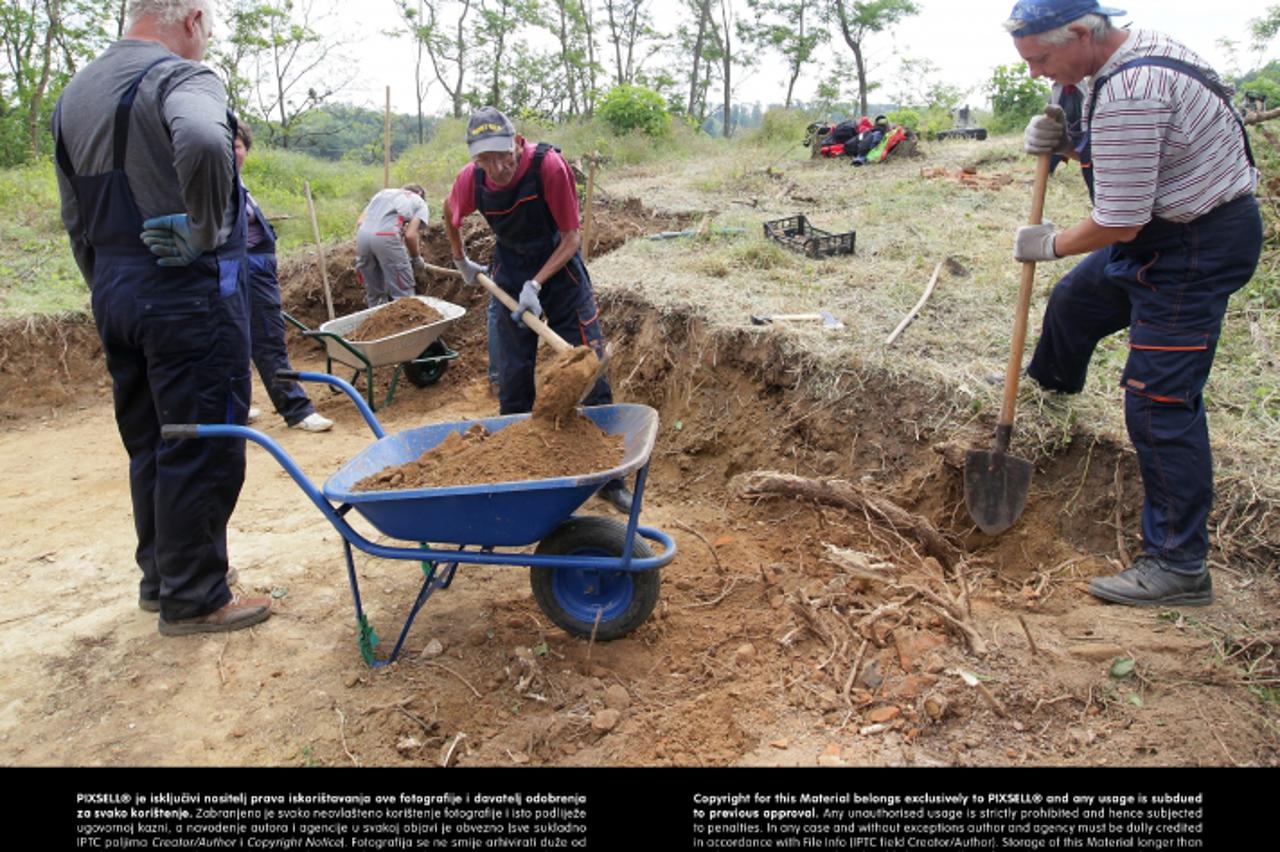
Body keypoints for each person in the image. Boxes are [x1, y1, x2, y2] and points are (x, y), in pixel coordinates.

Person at [1006, 0, 1261, 606]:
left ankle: (1179, 565)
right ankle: (1049, 394)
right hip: (1158, 228)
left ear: (1078, 32)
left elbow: (1118, 219)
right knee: (1076, 303)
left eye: (1042, 59)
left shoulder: (1135, 89)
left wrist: (1051, 243)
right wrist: (1067, 143)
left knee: (1158, 402)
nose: (1039, 73)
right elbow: (1127, 161)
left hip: (1194, 245)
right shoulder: (1110, 61)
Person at [53, 0, 271, 633]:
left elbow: (74, 214)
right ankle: (196, 597)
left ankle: (162, 578)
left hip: (116, 290)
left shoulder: (77, 91)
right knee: (203, 442)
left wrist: (107, 284)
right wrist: (205, 229)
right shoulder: (183, 75)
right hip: (183, 295)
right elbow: (205, 138)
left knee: (150, 440)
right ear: (194, 19)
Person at [443, 106, 634, 513]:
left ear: (517, 142)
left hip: (560, 272)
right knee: (512, 378)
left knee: (589, 366)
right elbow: (449, 213)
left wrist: (538, 283)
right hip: (509, 272)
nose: (495, 167)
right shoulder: (471, 179)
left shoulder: (549, 167)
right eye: (484, 158)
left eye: (501, 154)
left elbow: (571, 238)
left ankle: (608, 478)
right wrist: (460, 260)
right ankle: (520, 473)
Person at [233, 122, 333, 433]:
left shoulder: (237, 183)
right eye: (224, 144)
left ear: (246, 149)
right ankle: (296, 409)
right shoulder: (213, 182)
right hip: (237, 270)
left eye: (236, 145)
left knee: (263, 337)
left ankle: (261, 408)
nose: (231, 151)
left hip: (254, 270)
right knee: (253, 339)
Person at [354, 184, 430, 307]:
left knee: (375, 294)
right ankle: (407, 324)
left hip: (362, 237)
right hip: (386, 236)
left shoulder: (383, 193)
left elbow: (360, 222)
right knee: (403, 294)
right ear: (420, 194)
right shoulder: (419, 202)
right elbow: (410, 235)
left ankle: (377, 322)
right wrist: (416, 258)